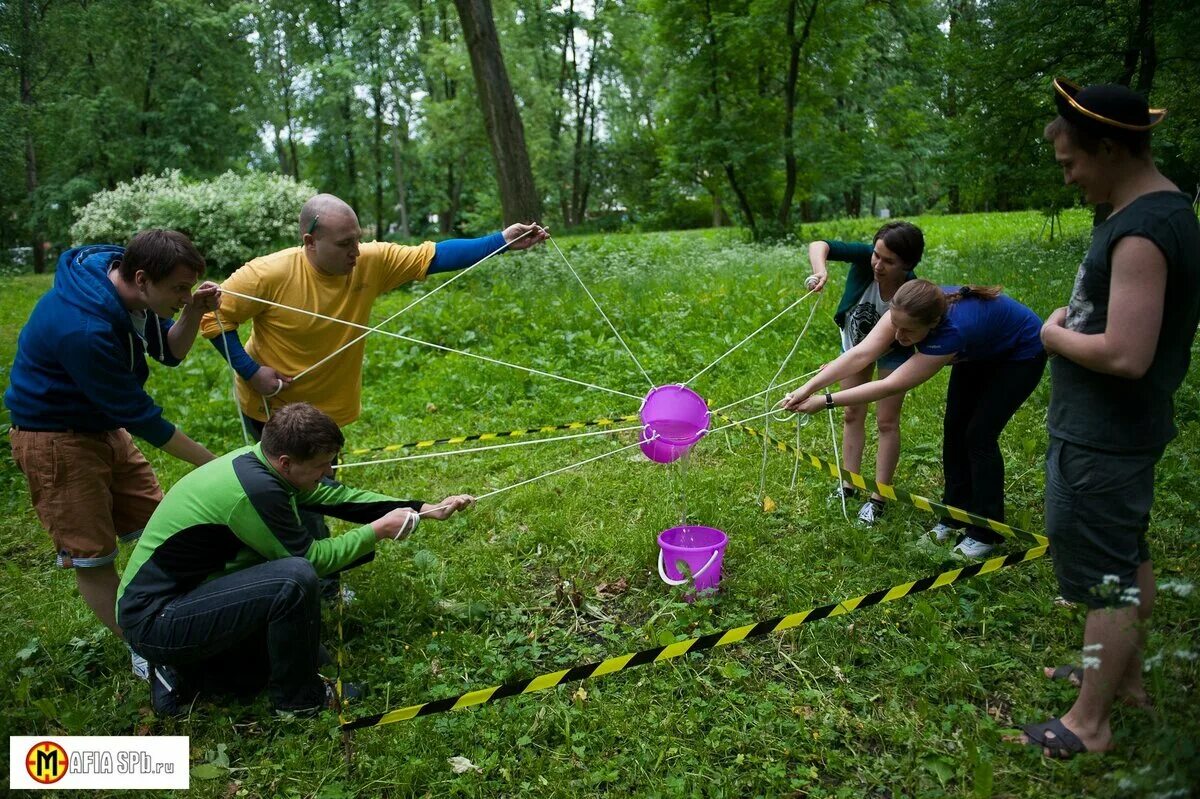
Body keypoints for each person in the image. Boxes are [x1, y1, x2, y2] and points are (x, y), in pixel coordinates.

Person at [199, 195, 545, 588]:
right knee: (299, 501)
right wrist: (250, 371)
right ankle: (308, 583)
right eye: (344, 244)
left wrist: (500, 240)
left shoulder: (368, 262)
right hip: (273, 409)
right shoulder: (267, 274)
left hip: (327, 413)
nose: (355, 252)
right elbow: (212, 316)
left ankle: (305, 575)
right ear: (309, 242)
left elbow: (433, 256)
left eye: (357, 240)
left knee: (319, 491)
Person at [1011, 79, 1200, 759]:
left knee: (1105, 578)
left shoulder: (1143, 231)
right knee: (1126, 558)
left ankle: (1089, 722)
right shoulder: (1157, 210)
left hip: (1103, 435)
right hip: (1115, 432)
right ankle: (1123, 681)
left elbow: (1124, 353)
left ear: (1111, 148)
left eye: (1072, 163)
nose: (1069, 176)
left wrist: (1052, 334)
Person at [117, 402, 475, 715]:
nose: (328, 472)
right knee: (294, 578)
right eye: (322, 466)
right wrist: (377, 530)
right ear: (287, 462)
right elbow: (310, 560)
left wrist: (423, 509)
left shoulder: (263, 464)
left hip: (191, 597)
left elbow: (338, 498)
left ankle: (190, 671)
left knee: (266, 667)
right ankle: (298, 701)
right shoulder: (257, 491)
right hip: (157, 619)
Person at [4, 230, 220, 678]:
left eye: (188, 288)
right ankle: (144, 644)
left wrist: (195, 309)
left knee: (159, 523)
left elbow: (171, 352)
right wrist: (212, 462)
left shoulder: (126, 287)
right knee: (94, 556)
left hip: (103, 426)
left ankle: (171, 610)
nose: (183, 297)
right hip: (55, 441)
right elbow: (145, 419)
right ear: (141, 278)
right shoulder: (84, 329)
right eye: (179, 289)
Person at [780, 279, 1046, 558]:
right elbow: (860, 354)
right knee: (954, 430)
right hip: (979, 350)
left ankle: (984, 532)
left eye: (908, 331)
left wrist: (826, 401)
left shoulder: (951, 332)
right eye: (894, 325)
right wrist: (807, 388)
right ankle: (952, 516)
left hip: (1020, 354)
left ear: (932, 324)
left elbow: (889, 385)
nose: (898, 335)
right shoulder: (905, 310)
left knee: (978, 436)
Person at [803, 222, 924, 525]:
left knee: (886, 421)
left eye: (889, 261)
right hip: (855, 346)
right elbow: (820, 244)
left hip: (894, 352)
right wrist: (820, 271)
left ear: (907, 265)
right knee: (851, 414)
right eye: (877, 255)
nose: (878, 265)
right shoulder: (865, 259)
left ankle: (879, 498)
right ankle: (848, 484)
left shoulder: (911, 290)